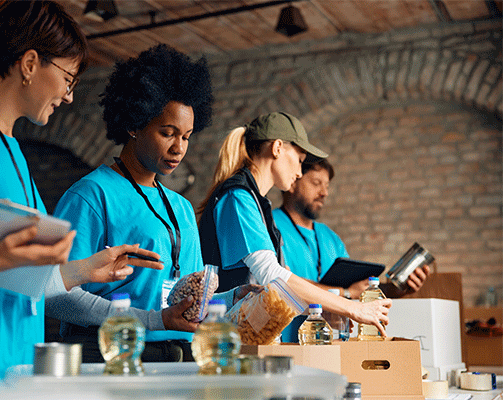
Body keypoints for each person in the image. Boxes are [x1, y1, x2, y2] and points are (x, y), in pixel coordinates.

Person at [0, 0, 162, 379]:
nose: (69, 95)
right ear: (29, 64)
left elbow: (23, 280)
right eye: (68, 79)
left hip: (10, 366)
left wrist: (87, 270)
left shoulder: (17, 155)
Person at [52, 44, 254, 363]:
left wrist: (232, 298)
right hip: (113, 355)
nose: (179, 148)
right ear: (134, 124)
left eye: (186, 136)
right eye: (167, 133)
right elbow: (55, 297)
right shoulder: (91, 195)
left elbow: (185, 298)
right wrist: (151, 321)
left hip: (181, 354)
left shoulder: (182, 207)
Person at [198, 112, 392, 336]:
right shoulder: (238, 197)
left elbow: (277, 288)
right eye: (299, 160)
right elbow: (272, 275)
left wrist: (322, 310)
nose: (299, 172)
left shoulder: (259, 204)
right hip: (220, 342)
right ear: (277, 148)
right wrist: (353, 308)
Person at [274, 158, 431, 342]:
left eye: (327, 186)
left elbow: (359, 290)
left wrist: (400, 288)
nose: (324, 193)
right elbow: (279, 281)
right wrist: (346, 293)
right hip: (285, 343)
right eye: (316, 183)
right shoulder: (271, 226)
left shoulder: (330, 237)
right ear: (293, 181)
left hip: (328, 343)